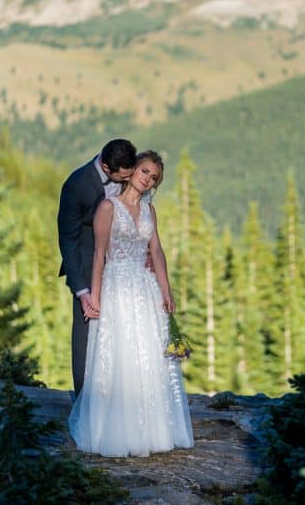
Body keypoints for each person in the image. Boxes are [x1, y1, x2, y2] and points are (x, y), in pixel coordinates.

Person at [68, 151, 194, 457]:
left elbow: (157, 251)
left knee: (148, 354)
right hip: (117, 288)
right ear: (133, 169)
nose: (148, 178)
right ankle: (114, 430)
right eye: (145, 171)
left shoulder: (150, 210)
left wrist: (166, 291)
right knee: (121, 354)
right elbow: (99, 255)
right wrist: (94, 298)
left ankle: (152, 429)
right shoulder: (108, 207)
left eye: (154, 177)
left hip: (145, 289)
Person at [57, 139, 137, 396]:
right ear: (105, 166)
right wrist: (81, 291)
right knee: (85, 336)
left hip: (124, 263)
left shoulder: (130, 170)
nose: (128, 179)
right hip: (87, 264)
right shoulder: (77, 184)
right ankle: (84, 399)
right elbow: (67, 239)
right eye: (122, 176)